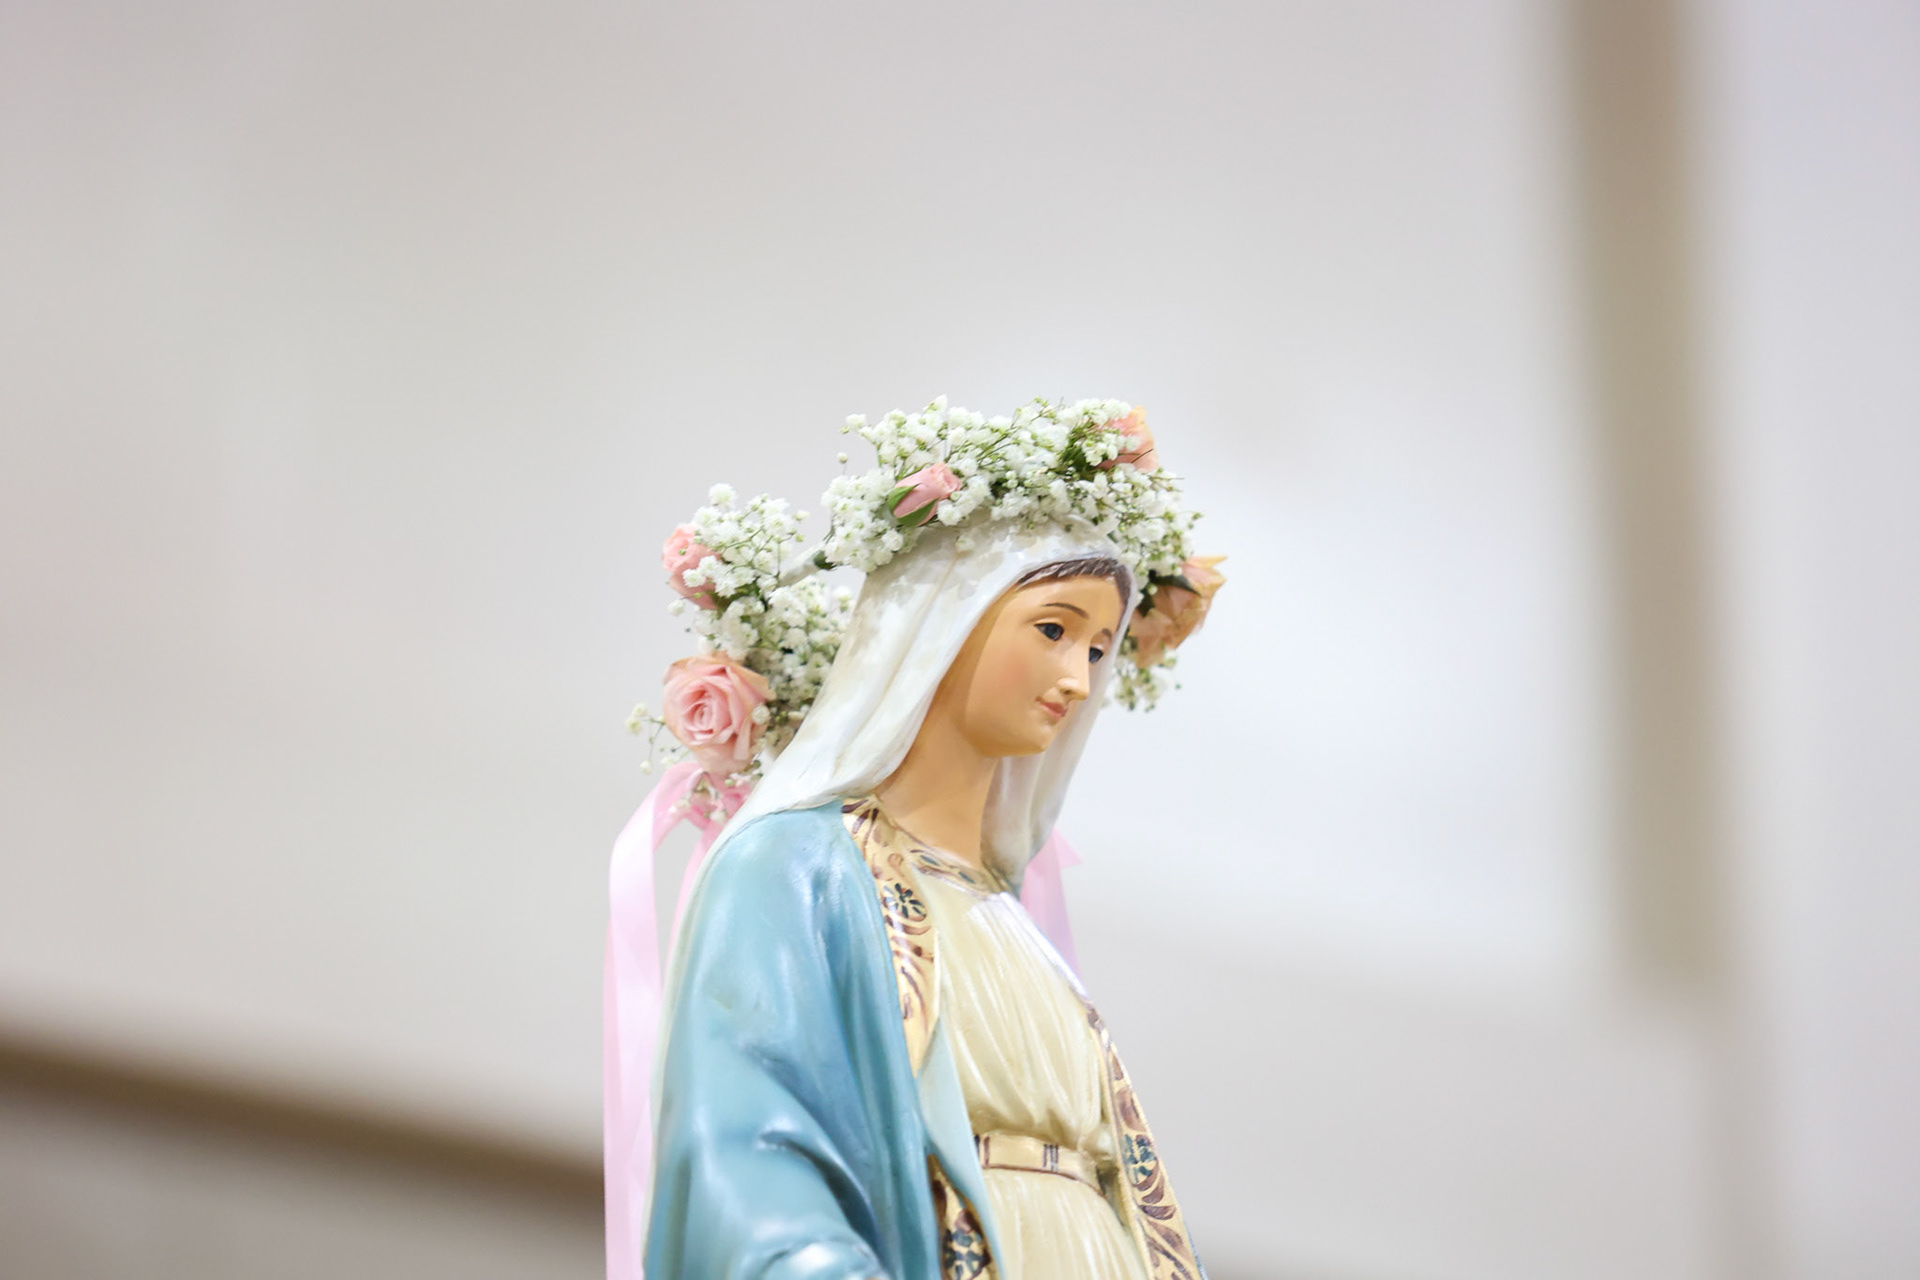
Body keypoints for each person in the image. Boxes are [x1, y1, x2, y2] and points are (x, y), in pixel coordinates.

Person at [607, 400, 1222, 1280]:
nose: (1077, 681)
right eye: (1053, 629)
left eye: (1097, 648)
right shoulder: (797, 866)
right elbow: (741, 1146)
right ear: (943, 621)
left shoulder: (1013, 925)